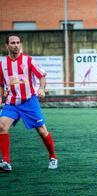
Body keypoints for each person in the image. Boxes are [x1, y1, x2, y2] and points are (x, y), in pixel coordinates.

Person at [0, 34, 58, 172]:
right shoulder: (2, 65)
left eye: (18, 42)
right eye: (13, 43)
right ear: (7, 46)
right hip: (12, 102)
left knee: (42, 130)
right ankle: (6, 162)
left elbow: (42, 76)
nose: (16, 45)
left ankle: (53, 157)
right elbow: (1, 84)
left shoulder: (29, 61)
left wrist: (42, 89)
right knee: (1, 126)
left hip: (29, 102)